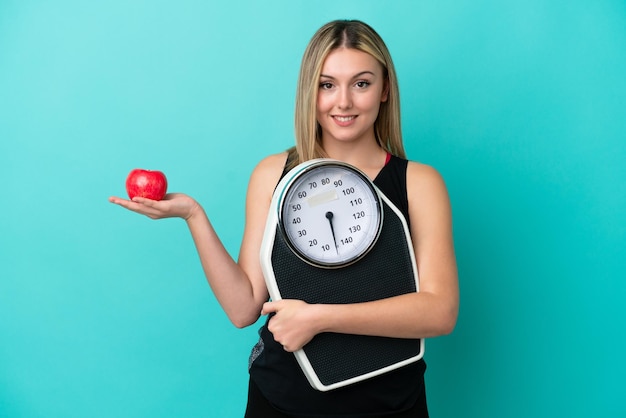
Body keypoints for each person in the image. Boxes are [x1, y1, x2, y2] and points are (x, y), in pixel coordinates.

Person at [109, 19, 458, 418]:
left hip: (392, 402)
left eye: (361, 83)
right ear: (310, 91)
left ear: (385, 91)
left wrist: (320, 319)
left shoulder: (419, 183)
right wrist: (193, 215)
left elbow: (440, 311)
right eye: (327, 84)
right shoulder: (272, 174)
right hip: (282, 401)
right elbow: (244, 308)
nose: (342, 102)